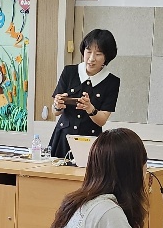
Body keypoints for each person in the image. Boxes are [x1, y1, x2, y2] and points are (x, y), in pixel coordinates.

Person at [47, 29, 120, 159]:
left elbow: (102, 120)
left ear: (106, 57)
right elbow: (56, 112)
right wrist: (57, 105)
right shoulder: (69, 72)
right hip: (62, 138)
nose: (91, 59)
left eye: (98, 54)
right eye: (88, 52)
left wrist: (90, 108)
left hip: (90, 141)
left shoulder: (111, 82)